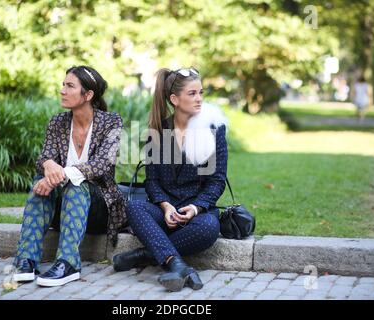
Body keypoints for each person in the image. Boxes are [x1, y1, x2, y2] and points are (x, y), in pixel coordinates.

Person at [112, 67, 228, 292]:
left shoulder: (214, 130)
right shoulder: (157, 131)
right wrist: (165, 207)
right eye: (192, 93)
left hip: (197, 214)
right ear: (175, 99)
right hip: (164, 211)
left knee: (210, 227)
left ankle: (144, 256)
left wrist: (195, 208)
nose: (199, 99)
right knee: (135, 208)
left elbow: (217, 181)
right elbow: (152, 181)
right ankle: (178, 265)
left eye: (201, 93)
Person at [12, 65, 126, 287]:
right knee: (40, 185)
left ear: (88, 94)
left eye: (70, 86)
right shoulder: (58, 122)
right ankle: (26, 259)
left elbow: (102, 164)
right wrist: (48, 164)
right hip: (62, 210)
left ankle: (68, 263)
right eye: (63, 85)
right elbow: (43, 157)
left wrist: (60, 172)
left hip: (98, 208)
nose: (62, 90)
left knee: (75, 186)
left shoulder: (111, 122)